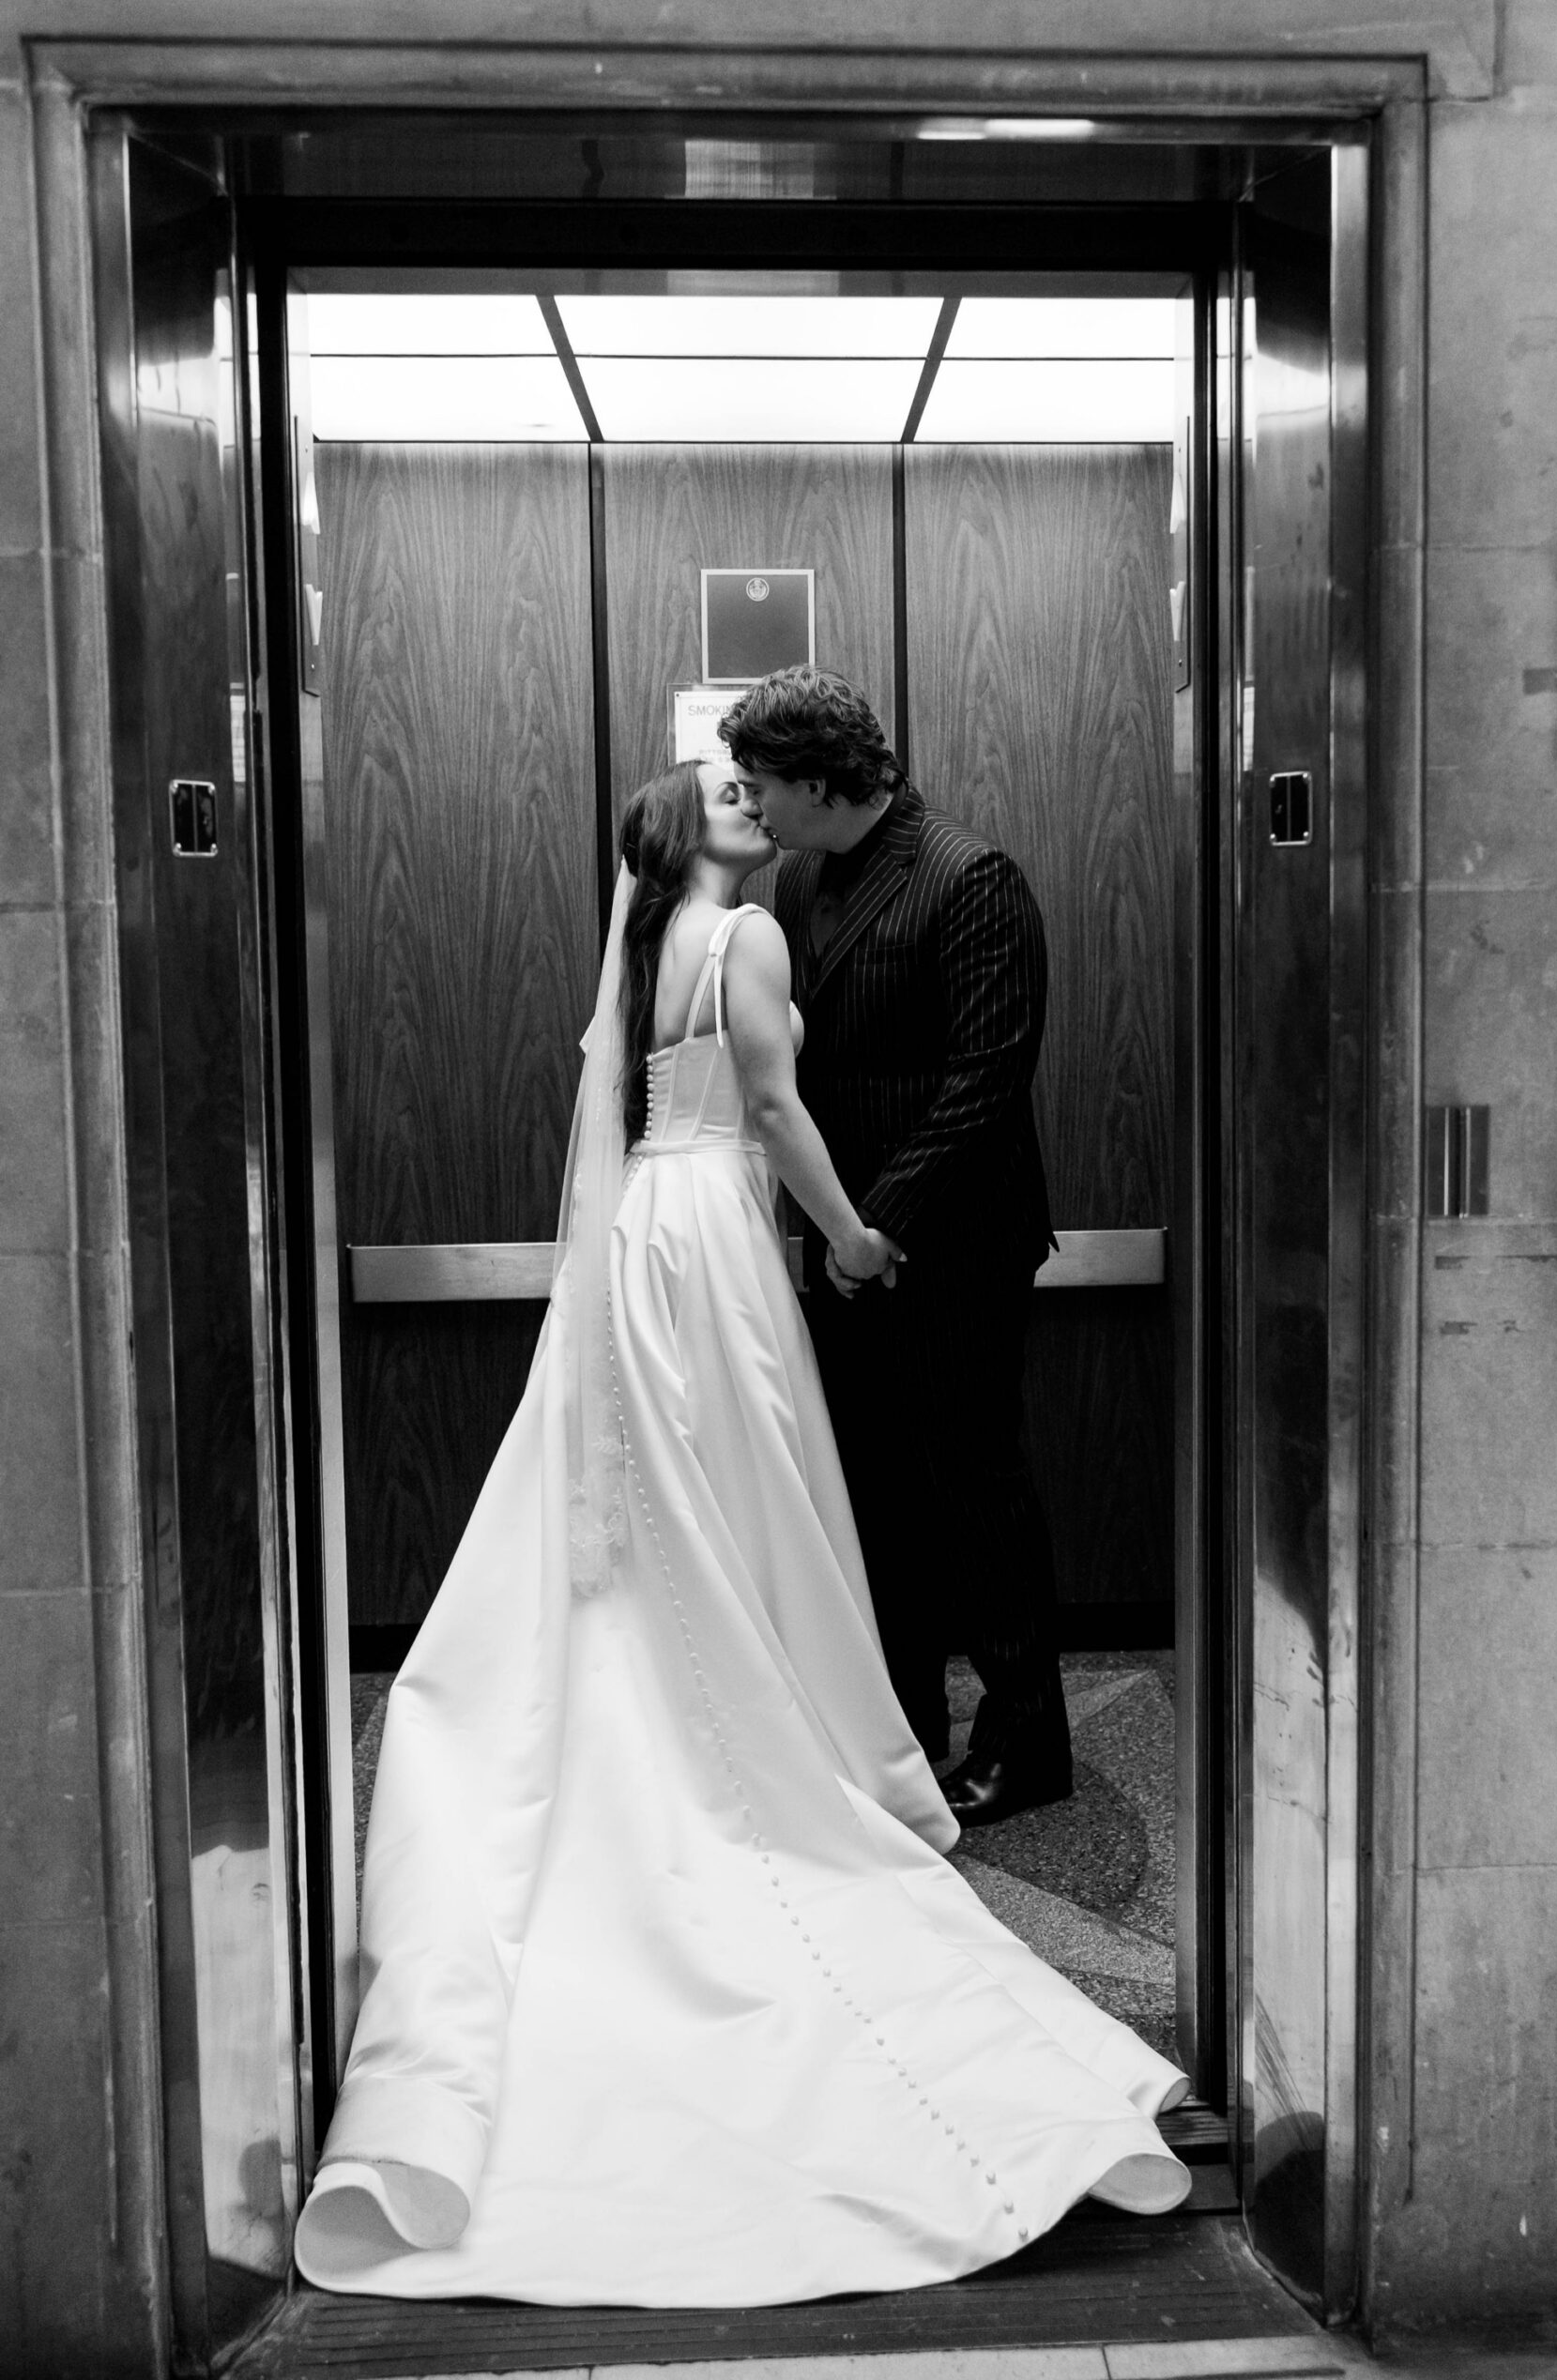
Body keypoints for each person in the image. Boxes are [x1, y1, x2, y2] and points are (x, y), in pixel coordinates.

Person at [292, 757, 1188, 2311]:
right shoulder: (750, 933)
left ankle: (676, 1704)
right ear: (683, 837)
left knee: (670, 1502)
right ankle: (783, 1732)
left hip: (640, 1228)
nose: (745, 807)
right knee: (753, 1485)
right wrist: (848, 1234)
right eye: (723, 797)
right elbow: (771, 1104)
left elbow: (647, 1109)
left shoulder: (641, 949)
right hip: (717, 1235)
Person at [722, 666, 1073, 1827]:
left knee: (976, 1492)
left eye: (763, 782)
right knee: (874, 1495)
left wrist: (882, 1225)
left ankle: (1027, 1743)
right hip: (845, 1246)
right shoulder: (797, 872)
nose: (750, 802)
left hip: (951, 1243)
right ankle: (907, 1728)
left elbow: (987, 1077)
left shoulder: (970, 877)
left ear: (820, 781)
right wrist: (833, 1229)